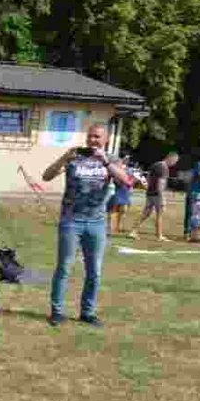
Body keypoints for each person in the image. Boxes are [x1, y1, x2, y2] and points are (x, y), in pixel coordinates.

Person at [42, 124, 132, 327]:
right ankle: (57, 312)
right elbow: (46, 176)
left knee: (94, 271)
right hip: (71, 221)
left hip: (97, 222)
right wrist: (64, 157)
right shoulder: (75, 157)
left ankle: (87, 312)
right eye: (90, 136)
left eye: (97, 137)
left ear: (106, 139)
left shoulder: (112, 159)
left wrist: (105, 161)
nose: (93, 140)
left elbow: (126, 181)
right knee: (64, 268)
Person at [130, 152, 178, 241]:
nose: (174, 164)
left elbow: (148, 177)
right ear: (171, 159)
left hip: (150, 193)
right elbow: (161, 183)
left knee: (146, 213)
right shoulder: (164, 168)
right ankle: (159, 236)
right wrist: (162, 197)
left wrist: (148, 188)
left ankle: (133, 231)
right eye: (175, 161)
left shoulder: (156, 164)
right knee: (160, 214)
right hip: (157, 195)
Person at [105, 157, 132, 235]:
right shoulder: (114, 172)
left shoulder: (126, 171)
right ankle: (109, 228)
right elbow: (123, 183)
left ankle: (117, 227)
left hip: (125, 193)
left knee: (123, 210)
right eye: (119, 163)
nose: (121, 164)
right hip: (117, 193)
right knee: (112, 211)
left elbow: (129, 183)